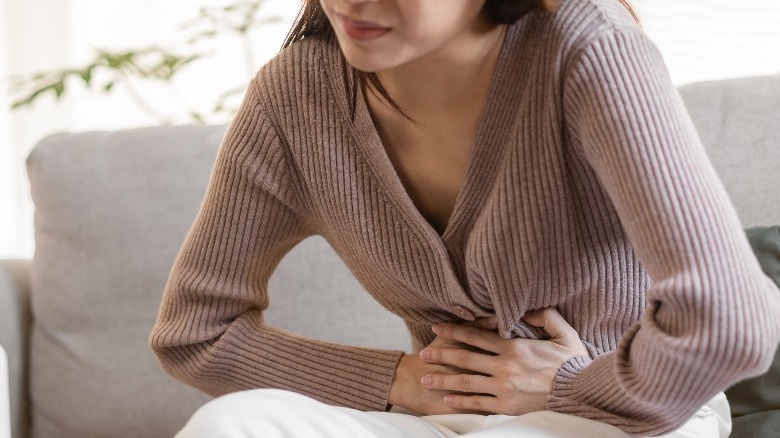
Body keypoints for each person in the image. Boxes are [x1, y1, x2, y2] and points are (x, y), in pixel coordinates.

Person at [149, 0, 780, 436]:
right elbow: (195, 332)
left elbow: (734, 320)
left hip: (632, 419)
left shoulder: (589, 49)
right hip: (445, 422)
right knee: (230, 428)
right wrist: (404, 378)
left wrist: (568, 388)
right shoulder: (295, 99)